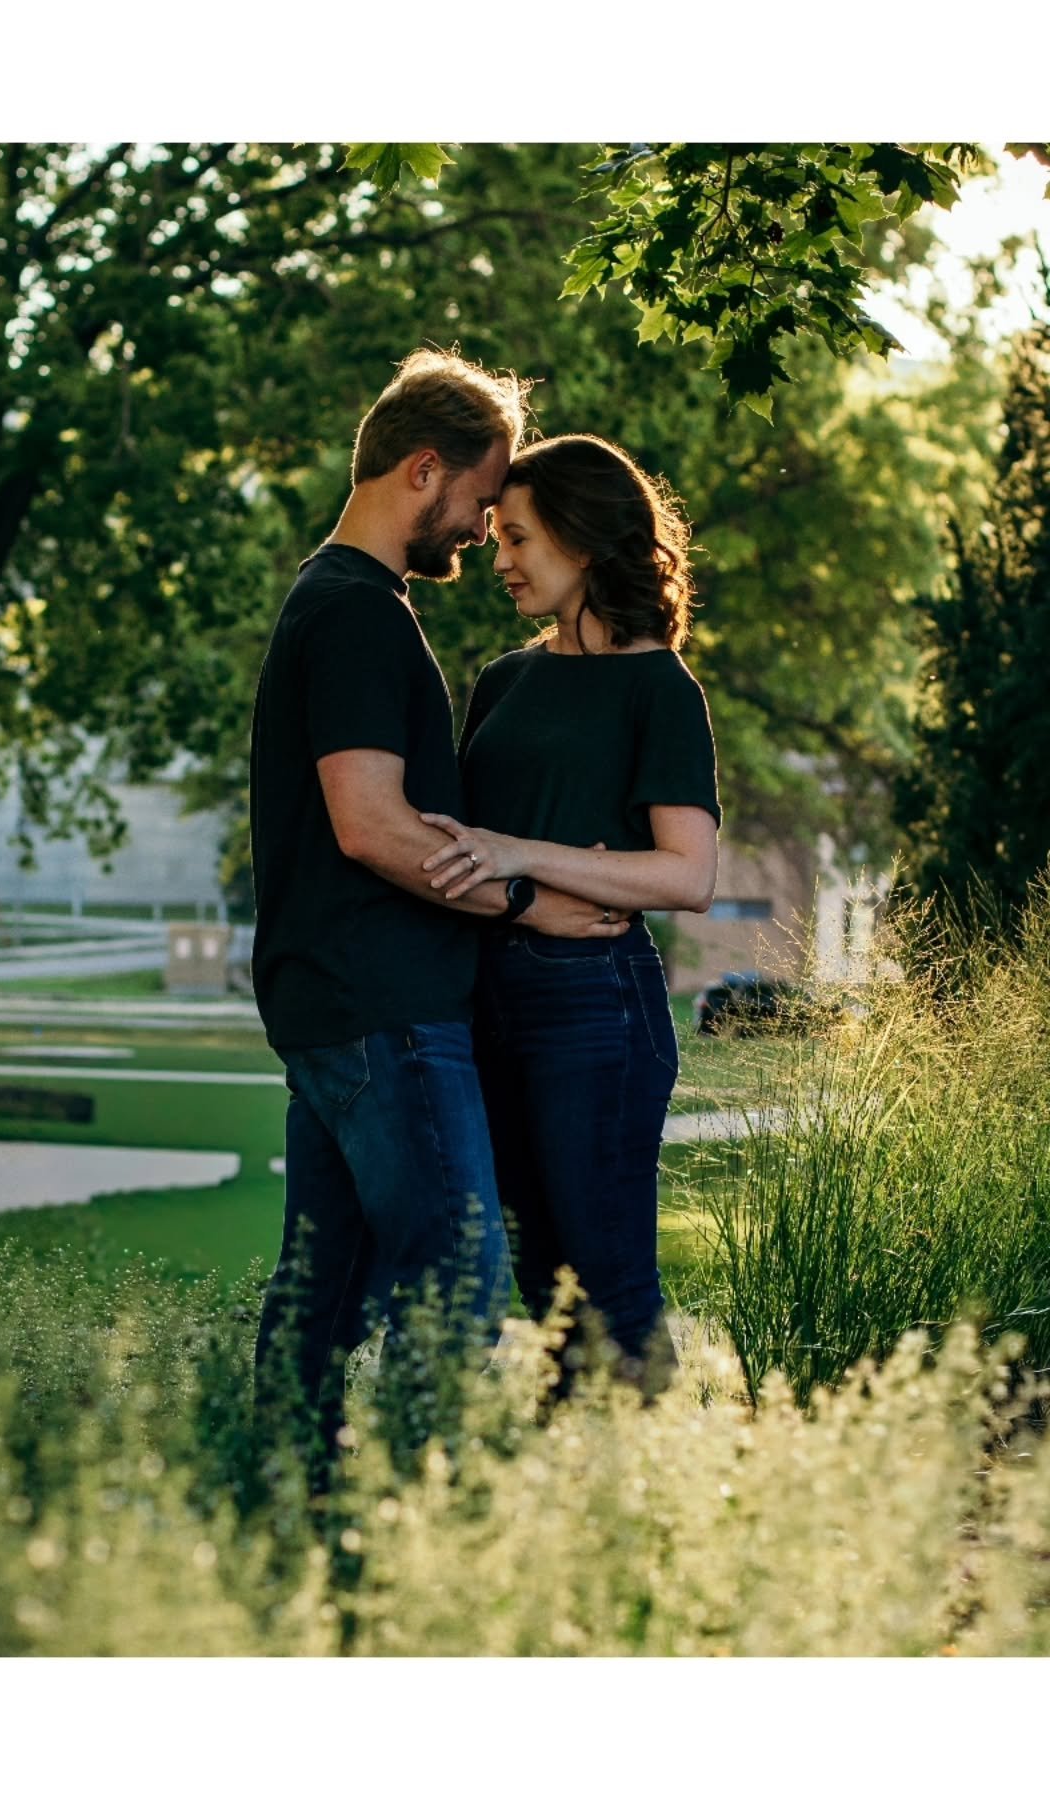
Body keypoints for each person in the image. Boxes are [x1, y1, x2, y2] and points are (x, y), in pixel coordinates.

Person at [249, 356, 633, 1481]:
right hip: (390, 1013)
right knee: (458, 1286)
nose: (479, 530)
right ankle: (442, 1535)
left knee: (318, 1297)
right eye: (477, 500)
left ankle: (280, 1500)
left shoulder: (328, 600)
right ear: (424, 471)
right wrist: (531, 903)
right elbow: (369, 824)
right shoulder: (362, 616)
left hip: (331, 1008)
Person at [418, 432, 720, 1394]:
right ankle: (572, 1505)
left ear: (584, 543)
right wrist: (526, 890)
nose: (497, 559)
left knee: (611, 1284)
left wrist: (523, 857)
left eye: (518, 539)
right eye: (497, 536)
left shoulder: (659, 689)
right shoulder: (506, 679)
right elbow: (460, 851)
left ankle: (642, 1493)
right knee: (540, 1286)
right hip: (489, 1002)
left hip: (598, 1008)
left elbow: (688, 875)